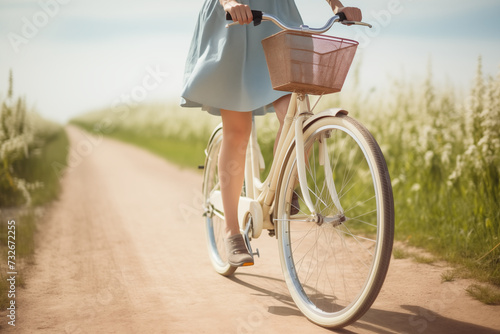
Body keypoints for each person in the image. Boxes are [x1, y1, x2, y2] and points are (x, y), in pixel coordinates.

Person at [181, 0, 362, 267]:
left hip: (277, 17)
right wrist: (229, 2)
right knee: (238, 131)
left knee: (297, 115)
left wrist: (336, 5)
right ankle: (232, 232)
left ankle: (283, 190)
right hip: (234, 20)